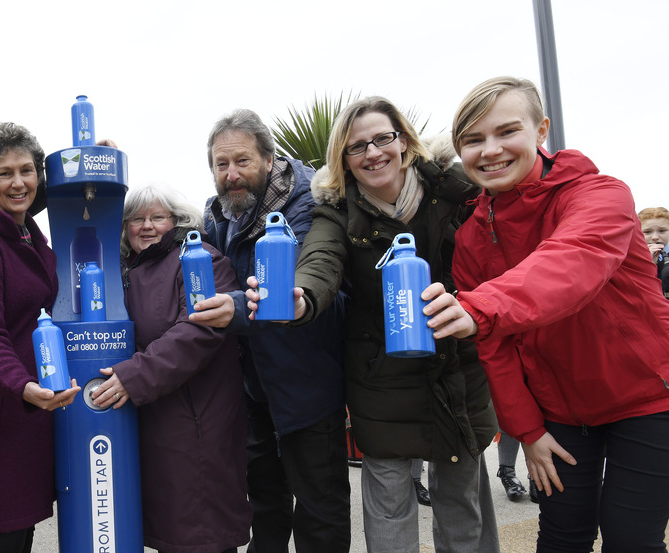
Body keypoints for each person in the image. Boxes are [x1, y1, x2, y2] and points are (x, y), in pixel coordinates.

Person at [446, 76, 669, 551]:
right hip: (560, 411)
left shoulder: (601, 194)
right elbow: (496, 348)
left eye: (507, 132)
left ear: (541, 130)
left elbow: (573, 260)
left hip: (649, 396)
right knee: (562, 536)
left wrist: (479, 306)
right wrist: (527, 431)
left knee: (632, 538)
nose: (490, 150)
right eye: (473, 139)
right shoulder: (469, 238)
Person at [284, 96, 499, 553]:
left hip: (456, 366)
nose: (373, 153)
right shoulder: (336, 209)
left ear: (403, 140)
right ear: (343, 159)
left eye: (383, 138)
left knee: (461, 499)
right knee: (388, 506)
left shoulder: (454, 187)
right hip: (380, 374)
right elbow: (320, 260)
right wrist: (301, 295)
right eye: (356, 147)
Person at [194, 108, 351, 553]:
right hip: (251, 388)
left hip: (307, 384)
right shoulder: (219, 216)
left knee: (320, 509)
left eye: (241, 161)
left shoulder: (310, 203)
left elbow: (294, 284)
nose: (231, 174)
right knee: (264, 506)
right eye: (221, 165)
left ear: (268, 159)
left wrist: (237, 308)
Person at [89, 185, 251, 553]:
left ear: (176, 221)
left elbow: (199, 329)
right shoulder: (124, 269)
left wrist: (134, 376)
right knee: (174, 532)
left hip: (196, 424)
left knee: (200, 533)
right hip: (155, 420)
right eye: (136, 218)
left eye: (157, 217)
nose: (146, 226)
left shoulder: (199, 260)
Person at [0, 122, 80, 553]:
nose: (18, 182)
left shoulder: (24, 231)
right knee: (3, 531)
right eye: (4, 173)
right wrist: (24, 387)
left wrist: (93, 156)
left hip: (24, 407)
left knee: (20, 528)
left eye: (27, 170)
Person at [638, 206, 669, 297]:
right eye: (647, 232)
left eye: (662, 231)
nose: (655, 237)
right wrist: (648, 264)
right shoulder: (632, 257)